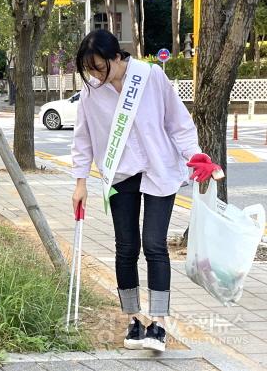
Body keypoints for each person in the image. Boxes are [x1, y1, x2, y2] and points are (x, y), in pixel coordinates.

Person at [70, 29, 224, 352]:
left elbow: (177, 122)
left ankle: (159, 324)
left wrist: (193, 154)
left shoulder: (150, 76)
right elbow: (82, 139)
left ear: (116, 56)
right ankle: (134, 318)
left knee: (155, 245)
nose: (95, 75)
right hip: (121, 176)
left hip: (158, 171)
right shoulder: (91, 93)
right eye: (90, 70)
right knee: (126, 247)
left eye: (99, 67)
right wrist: (80, 182)